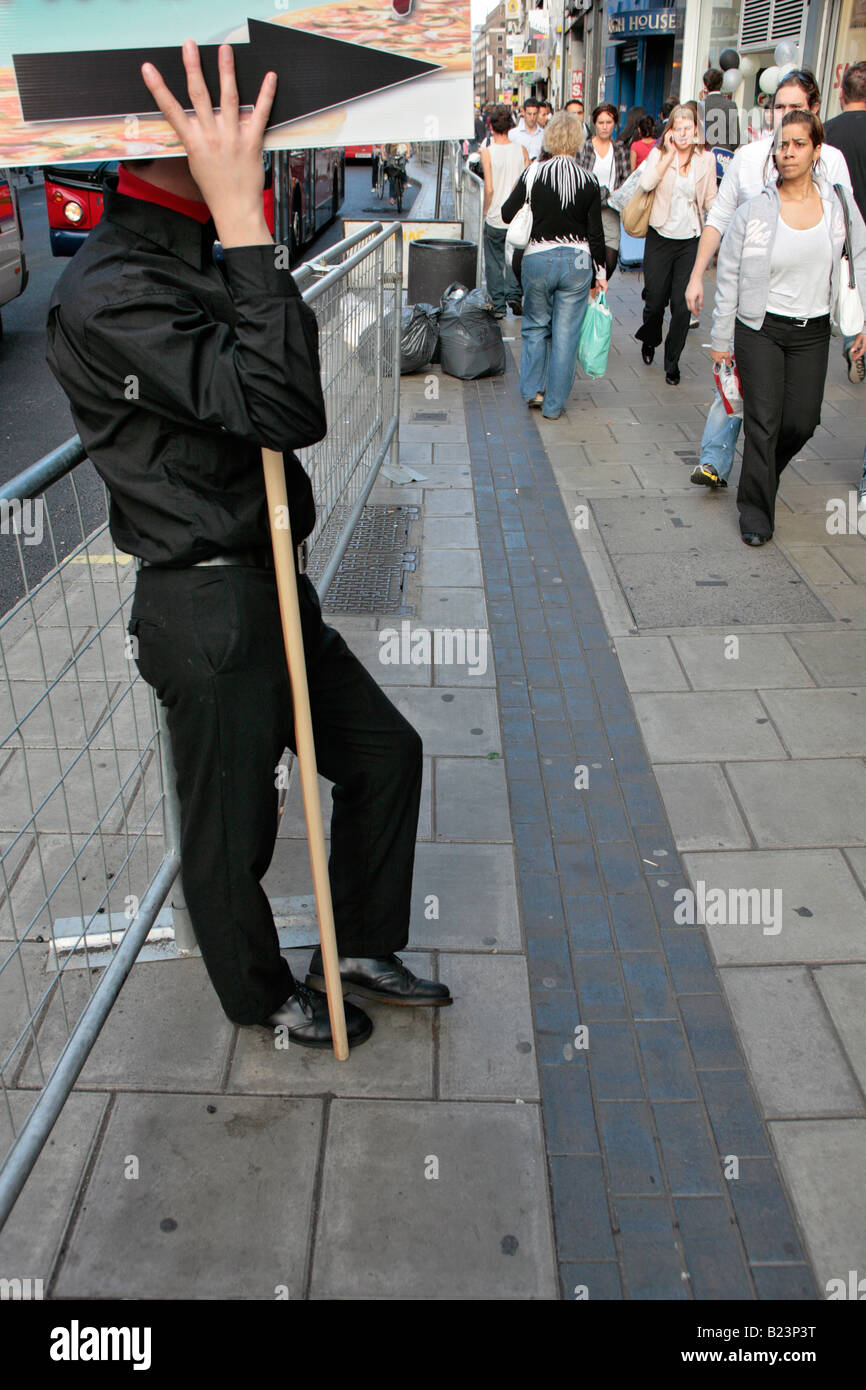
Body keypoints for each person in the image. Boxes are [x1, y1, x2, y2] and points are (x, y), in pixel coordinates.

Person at [44, 41, 451, 1050]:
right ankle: (261, 997)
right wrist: (239, 219)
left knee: (384, 754)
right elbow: (282, 404)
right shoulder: (110, 288)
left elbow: (279, 375)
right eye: (237, 121)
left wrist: (239, 233)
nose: (260, 139)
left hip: (273, 582)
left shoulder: (207, 245)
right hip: (207, 607)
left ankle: (354, 939)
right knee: (232, 836)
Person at [685, 69, 854, 490]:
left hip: (806, 312)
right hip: (751, 305)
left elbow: (849, 235)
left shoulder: (830, 162)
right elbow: (719, 220)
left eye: (795, 108)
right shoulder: (748, 158)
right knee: (749, 398)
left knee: (794, 417)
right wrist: (695, 276)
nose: (785, 115)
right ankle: (717, 461)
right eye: (779, 106)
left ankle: (758, 473)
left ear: (814, 112)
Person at [711, 110, 866, 545]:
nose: (788, 152)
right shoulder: (755, 210)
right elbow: (729, 275)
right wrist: (721, 339)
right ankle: (756, 514)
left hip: (813, 330)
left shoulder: (838, 205)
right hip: (759, 328)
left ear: (817, 150)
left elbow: (861, 260)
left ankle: (759, 477)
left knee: (802, 420)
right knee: (763, 421)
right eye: (783, 144)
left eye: (799, 144)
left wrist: (862, 323)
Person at [501, 110, 607, 419]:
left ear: (549, 138)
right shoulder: (589, 180)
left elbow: (508, 213)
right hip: (577, 261)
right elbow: (596, 233)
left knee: (535, 325)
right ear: (578, 141)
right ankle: (554, 406)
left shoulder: (533, 173)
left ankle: (533, 389)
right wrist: (600, 273)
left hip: (538, 258)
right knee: (566, 335)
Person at [634, 105, 717, 384]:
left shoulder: (707, 159)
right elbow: (645, 184)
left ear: (696, 129)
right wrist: (668, 156)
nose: (683, 133)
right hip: (660, 235)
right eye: (677, 128)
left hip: (690, 240)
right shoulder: (659, 154)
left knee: (683, 306)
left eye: (688, 127)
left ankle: (672, 361)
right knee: (655, 300)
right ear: (669, 131)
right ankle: (650, 337)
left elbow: (711, 201)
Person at [824, 61, 866, 386]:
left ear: (842, 93)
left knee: (846, 288)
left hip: (839, 233)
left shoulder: (825, 132)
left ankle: (852, 341)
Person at [481, 103, 529, 318]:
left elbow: (489, 187)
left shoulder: (487, 152)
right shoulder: (521, 151)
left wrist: (486, 210)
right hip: (517, 215)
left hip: (495, 216)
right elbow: (526, 182)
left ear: (491, 126)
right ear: (510, 126)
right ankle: (515, 295)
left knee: (494, 260)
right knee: (515, 256)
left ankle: (498, 306)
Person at [576, 103, 630, 279]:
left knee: (611, 261)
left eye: (609, 122)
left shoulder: (620, 149)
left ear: (615, 123)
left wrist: (617, 193)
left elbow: (626, 179)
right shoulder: (585, 148)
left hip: (611, 209)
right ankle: (591, 295)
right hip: (588, 211)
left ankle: (599, 294)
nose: (605, 126)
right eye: (601, 122)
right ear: (594, 123)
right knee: (587, 259)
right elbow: (578, 178)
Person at [700, 67, 740, 152]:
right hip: (724, 155)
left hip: (704, 153)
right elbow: (735, 140)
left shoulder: (700, 106)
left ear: (705, 86)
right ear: (721, 84)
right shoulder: (731, 105)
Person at [382, 140, 412, 205]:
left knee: (402, 169)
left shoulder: (400, 138)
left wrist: (408, 153)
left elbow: (407, 143)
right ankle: (392, 198)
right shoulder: (388, 141)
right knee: (392, 178)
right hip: (391, 158)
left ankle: (404, 183)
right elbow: (383, 145)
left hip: (400, 156)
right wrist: (383, 155)